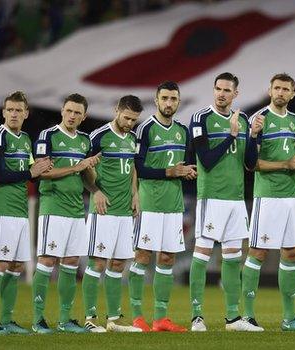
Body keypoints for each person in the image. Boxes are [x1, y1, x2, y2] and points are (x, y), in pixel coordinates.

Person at [241, 73, 295, 332]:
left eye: (285, 89)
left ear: (292, 94)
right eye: (276, 88)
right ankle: (246, 316)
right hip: (267, 196)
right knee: (258, 252)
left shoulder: (294, 120)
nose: (280, 92)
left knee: (292, 252)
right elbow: (251, 163)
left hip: (292, 196)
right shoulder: (259, 120)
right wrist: (285, 164)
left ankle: (289, 318)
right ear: (269, 90)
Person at [188, 72, 262, 332]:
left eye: (226, 90)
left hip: (236, 199)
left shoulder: (242, 119)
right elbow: (206, 160)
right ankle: (197, 316)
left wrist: (252, 137)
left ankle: (233, 318)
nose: (221, 93)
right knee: (203, 254)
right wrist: (231, 136)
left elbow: (250, 163)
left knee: (233, 258)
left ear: (236, 94)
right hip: (212, 196)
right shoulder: (200, 118)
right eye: (218, 88)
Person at [0, 91, 53, 335]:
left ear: (26, 113)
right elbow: (1, 176)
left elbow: (29, 169)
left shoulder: (24, 139)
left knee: (16, 266)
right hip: (1, 211)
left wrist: (40, 167)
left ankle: (7, 319)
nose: (13, 114)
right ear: (3, 112)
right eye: (9, 109)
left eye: (18, 110)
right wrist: (31, 173)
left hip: (20, 211)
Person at [129, 81, 196, 332]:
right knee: (143, 256)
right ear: (156, 101)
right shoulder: (145, 129)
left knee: (167, 258)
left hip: (174, 204)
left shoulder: (182, 130)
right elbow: (140, 168)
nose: (169, 103)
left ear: (179, 102)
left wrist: (186, 172)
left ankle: (160, 319)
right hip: (150, 204)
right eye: (164, 98)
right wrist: (171, 171)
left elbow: (181, 166)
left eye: (173, 99)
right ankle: (137, 316)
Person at [31, 93, 100, 334]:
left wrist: (91, 173)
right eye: (68, 111)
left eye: (77, 113)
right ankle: (38, 319)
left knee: (71, 263)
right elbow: (41, 172)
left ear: (84, 116)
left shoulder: (84, 140)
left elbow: (87, 178)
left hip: (75, 209)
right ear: (62, 110)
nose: (72, 116)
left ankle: (64, 319)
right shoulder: (47, 136)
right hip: (53, 207)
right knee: (48, 260)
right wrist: (76, 166)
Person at [81, 95, 143, 333]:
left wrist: (135, 194)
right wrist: (94, 191)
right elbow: (84, 166)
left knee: (118, 264)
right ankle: (89, 319)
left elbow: (133, 167)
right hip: (103, 210)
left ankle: (113, 320)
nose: (129, 123)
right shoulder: (98, 136)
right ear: (116, 110)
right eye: (126, 117)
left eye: (134, 120)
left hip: (125, 211)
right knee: (97, 262)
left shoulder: (132, 137)